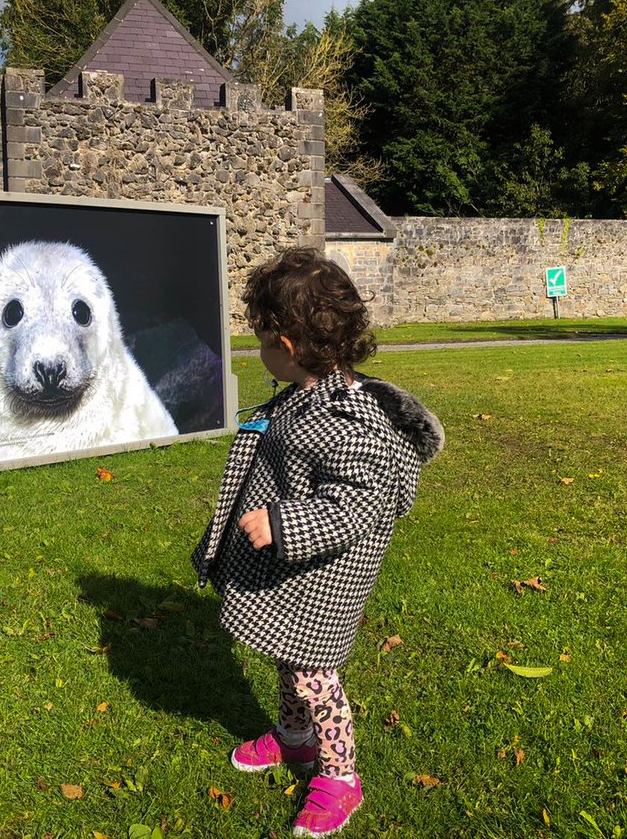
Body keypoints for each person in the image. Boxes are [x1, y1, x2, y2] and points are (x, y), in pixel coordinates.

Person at [192, 247, 444, 838]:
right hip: (289, 575)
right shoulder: (301, 398)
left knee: (314, 675)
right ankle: (294, 740)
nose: (257, 351)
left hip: (322, 581)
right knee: (287, 655)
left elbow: (356, 501)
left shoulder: (347, 417)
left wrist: (284, 524)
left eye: (258, 339)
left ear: (285, 344)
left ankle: (340, 775)